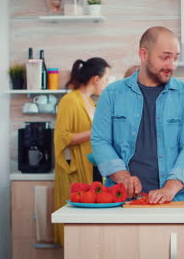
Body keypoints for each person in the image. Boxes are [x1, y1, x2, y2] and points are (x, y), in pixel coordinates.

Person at [91, 26, 184, 203]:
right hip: (119, 200)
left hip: (173, 200)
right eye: (165, 57)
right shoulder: (112, 94)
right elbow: (100, 141)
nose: (172, 65)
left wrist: (169, 188)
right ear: (144, 55)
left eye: (176, 58)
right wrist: (123, 178)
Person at [53, 57, 111, 245]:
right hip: (75, 170)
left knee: (89, 227)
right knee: (75, 227)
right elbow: (64, 138)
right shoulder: (70, 100)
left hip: (91, 167)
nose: (106, 83)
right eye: (106, 79)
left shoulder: (90, 102)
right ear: (96, 79)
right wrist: (96, 131)